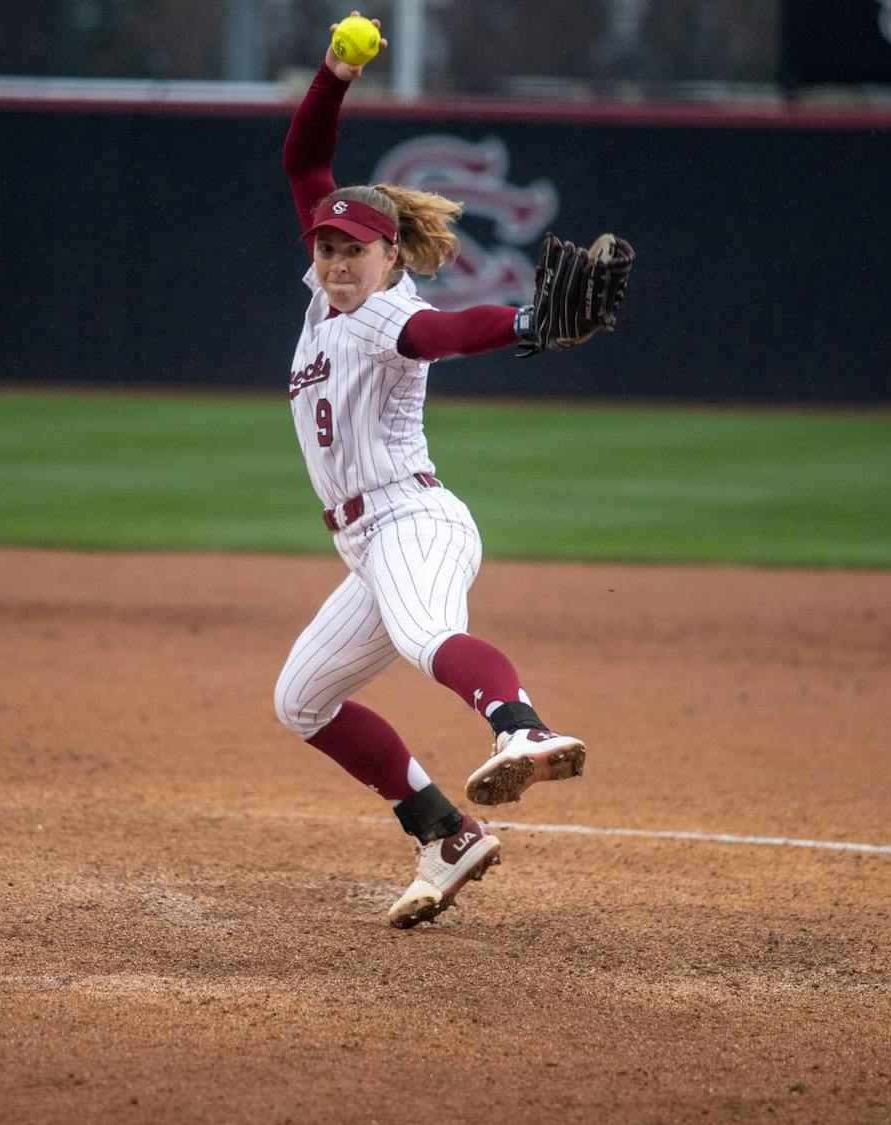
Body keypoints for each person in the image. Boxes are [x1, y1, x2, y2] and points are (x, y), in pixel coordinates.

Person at [273, 14, 630, 929]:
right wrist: (334, 73)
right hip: (364, 541)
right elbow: (305, 166)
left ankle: (522, 725)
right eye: (328, 246)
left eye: (356, 247)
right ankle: (445, 830)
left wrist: (521, 323)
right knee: (303, 698)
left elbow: (447, 331)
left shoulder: (392, 313)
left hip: (413, 521)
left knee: (432, 635)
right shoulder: (326, 301)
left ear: (393, 253)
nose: (340, 259)